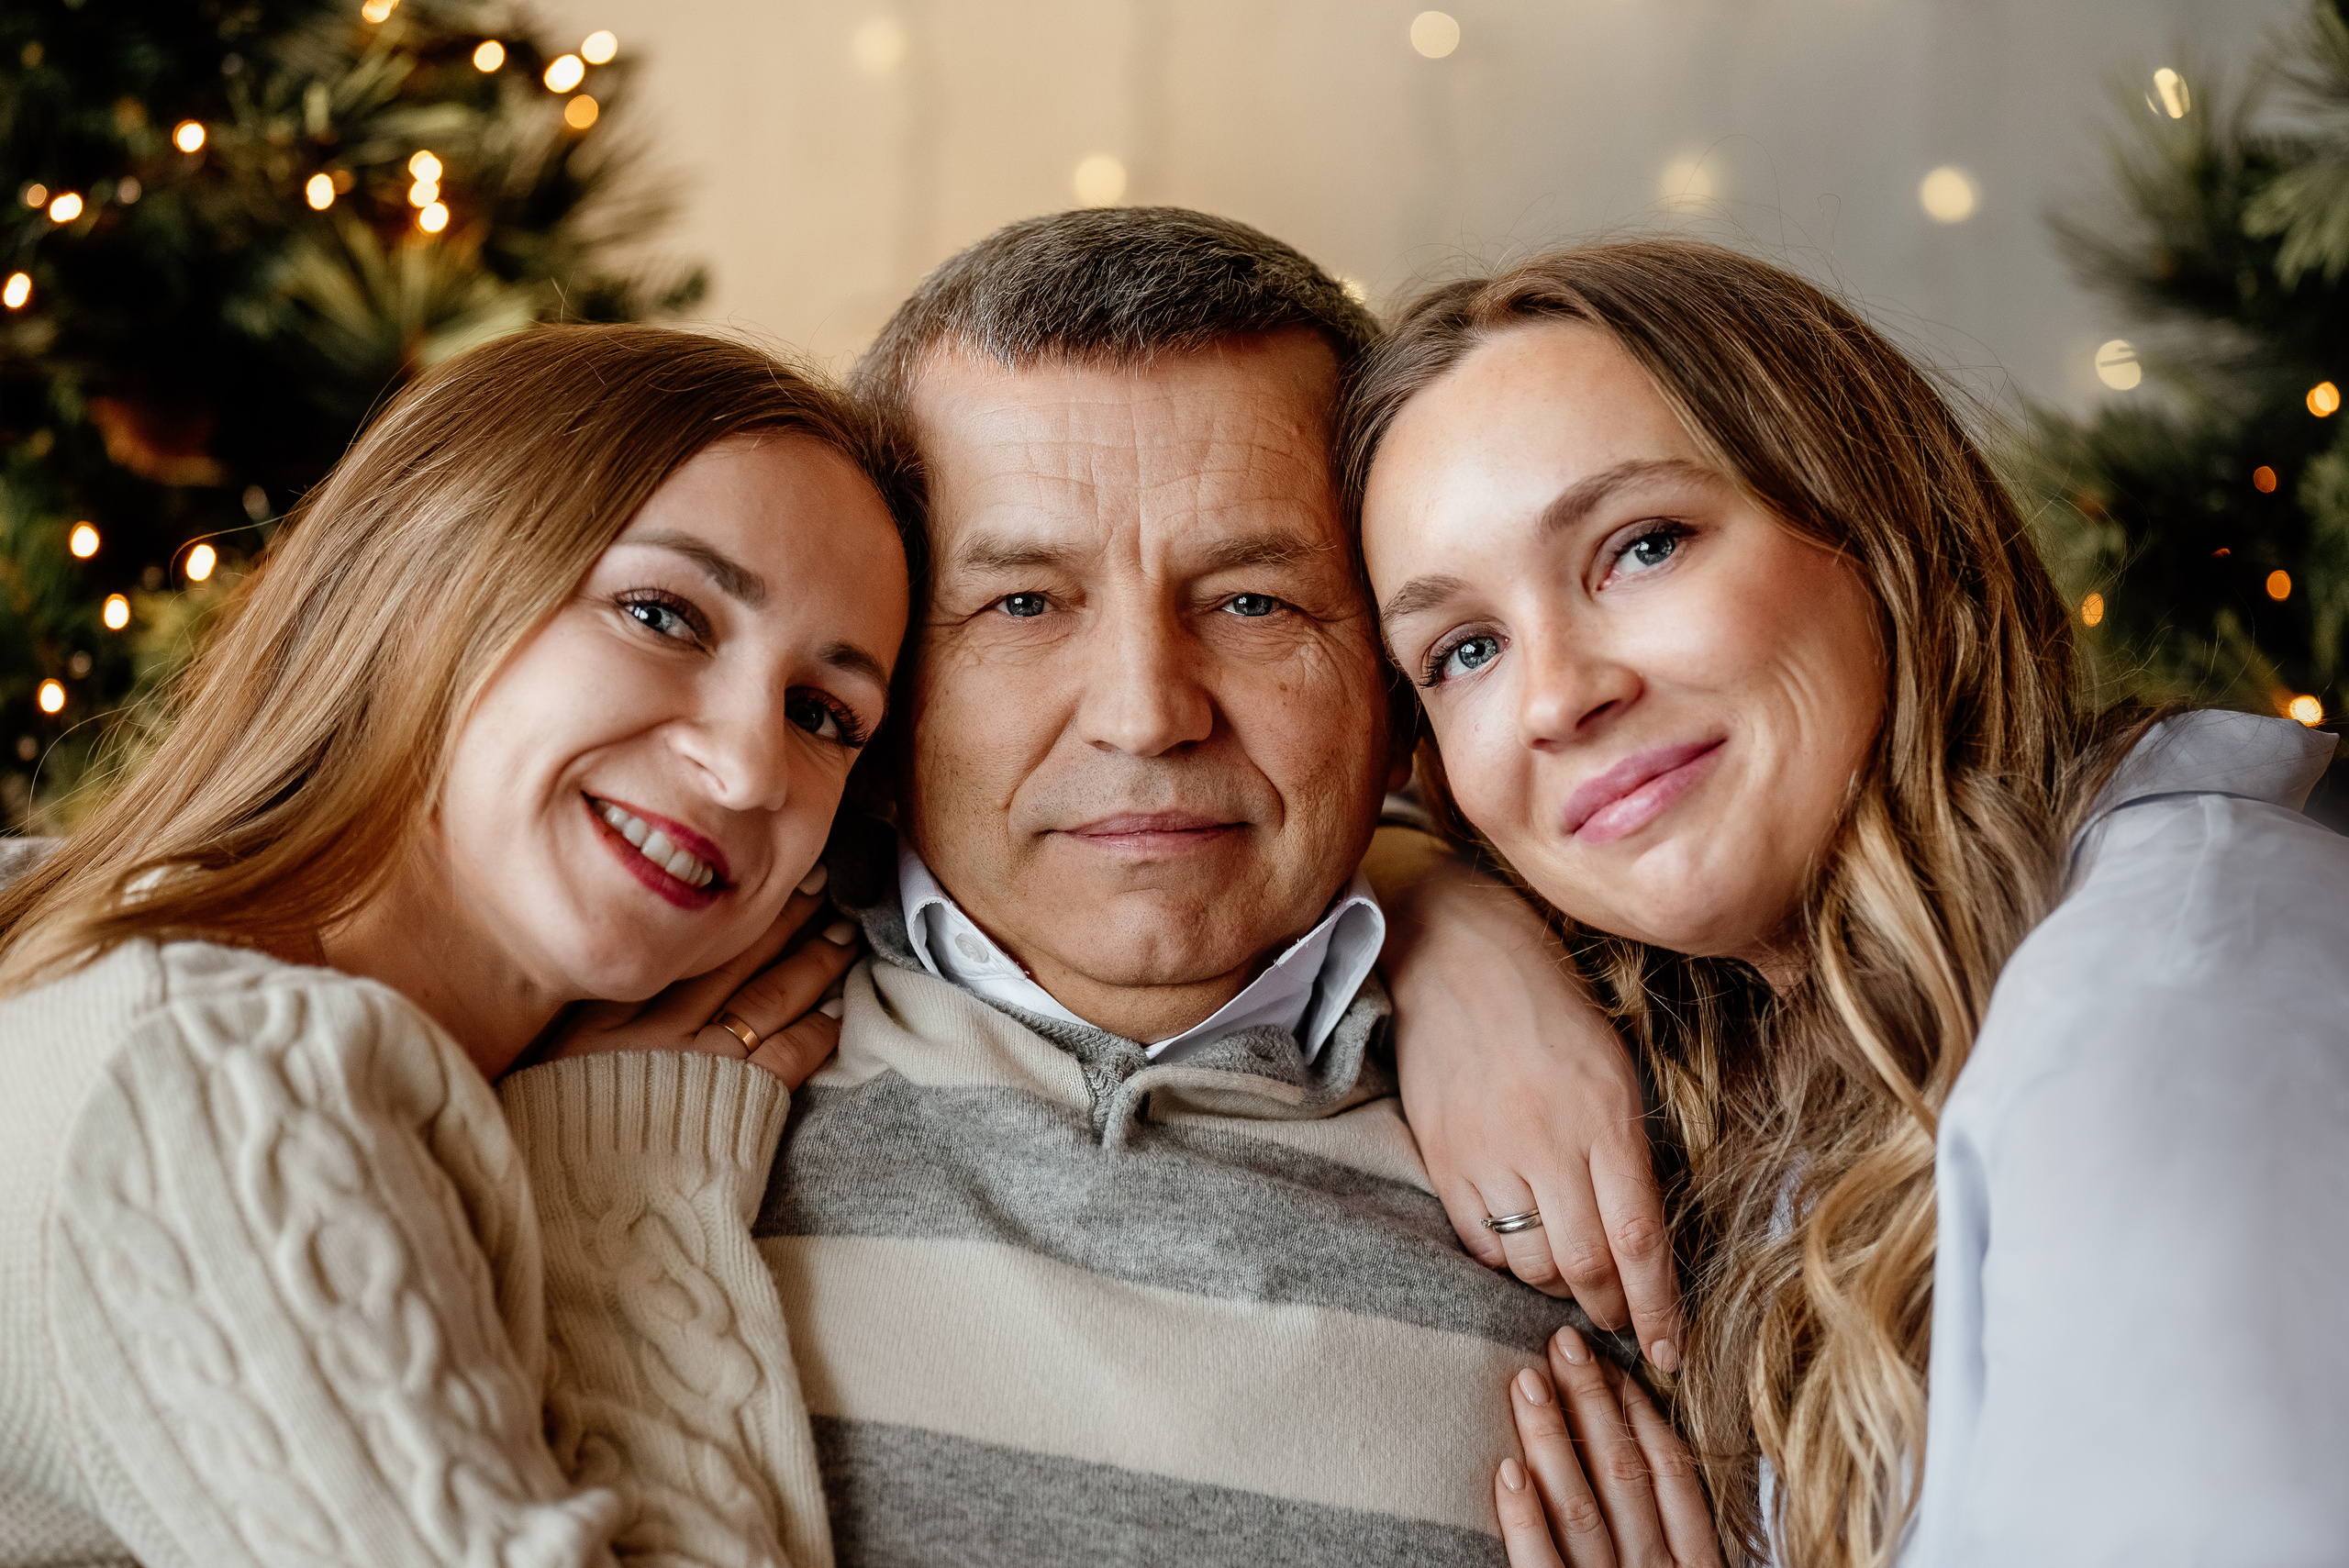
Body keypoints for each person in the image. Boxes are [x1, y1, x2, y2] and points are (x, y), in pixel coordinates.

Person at [667, 206, 1669, 1566]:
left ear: (1388, 669)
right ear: (890, 667)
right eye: (1024, 603)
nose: (1145, 715)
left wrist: (1456, 912)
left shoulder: (1660, 1108)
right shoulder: (675, 1055)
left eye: (1253, 601)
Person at [1343, 239, 2349, 1567]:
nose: (1552, 695)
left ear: (1882, 530)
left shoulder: (2179, 991)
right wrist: (1430, 917)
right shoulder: (1758, 1060)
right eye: (1463, 649)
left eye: (1641, 546)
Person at [0, 325, 913, 1568]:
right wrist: (622, 1180)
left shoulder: (130, 974)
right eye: (664, 613)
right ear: (431, 572)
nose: (751, 766)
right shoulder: (220, 1080)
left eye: (825, 712)